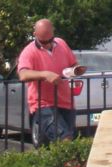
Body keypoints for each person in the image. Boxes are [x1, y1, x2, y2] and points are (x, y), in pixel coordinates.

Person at [17, 18, 83, 146]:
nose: (46, 44)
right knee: (64, 138)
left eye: (49, 40)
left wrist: (75, 70)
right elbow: (23, 74)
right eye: (42, 41)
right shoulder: (29, 51)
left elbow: (73, 63)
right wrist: (44, 74)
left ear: (53, 33)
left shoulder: (61, 43)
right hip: (43, 103)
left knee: (62, 140)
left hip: (66, 102)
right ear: (35, 34)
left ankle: (63, 164)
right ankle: (72, 165)